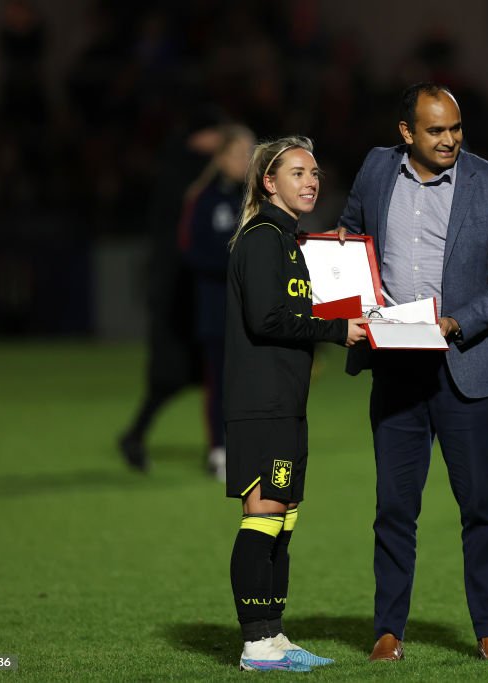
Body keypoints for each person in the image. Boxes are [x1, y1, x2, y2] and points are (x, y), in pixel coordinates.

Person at [337, 83, 488, 664]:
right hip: (395, 368)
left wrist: (455, 322)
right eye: (436, 130)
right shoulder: (375, 169)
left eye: (456, 128)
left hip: (465, 368)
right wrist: (342, 258)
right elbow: (350, 230)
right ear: (406, 133)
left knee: (480, 509)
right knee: (394, 508)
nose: (449, 140)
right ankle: (388, 631)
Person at [224, 135, 367, 671]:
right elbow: (267, 318)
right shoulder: (262, 237)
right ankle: (256, 643)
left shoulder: (289, 241)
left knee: (283, 518)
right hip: (261, 404)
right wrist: (337, 328)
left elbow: (304, 303)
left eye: (314, 174)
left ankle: (273, 635)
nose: (311, 181)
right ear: (269, 182)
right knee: (262, 515)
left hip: (285, 401)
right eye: (298, 173)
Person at [118, 107, 226, 472]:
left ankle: (218, 448)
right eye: (216, 133)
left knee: (206, 375)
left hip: (182, 291)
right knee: (175, 375)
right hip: (178, 293)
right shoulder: (190, 177)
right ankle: (137, 436)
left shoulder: (181, 172)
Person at [179, 124, 255, 481]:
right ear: (222, 157)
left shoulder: (255, 198)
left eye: (250, 152)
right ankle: (219, 451)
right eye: (240, 153)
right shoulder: (204, 198)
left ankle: (247, 446)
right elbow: (191, 251)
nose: (246, 160)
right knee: (221, 381)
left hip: (253, 308)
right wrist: (236, 263)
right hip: (216, 306)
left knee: (252, 381)